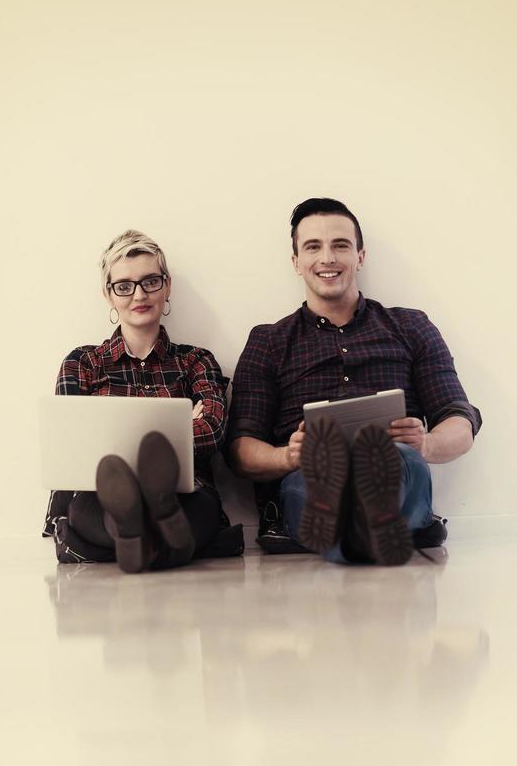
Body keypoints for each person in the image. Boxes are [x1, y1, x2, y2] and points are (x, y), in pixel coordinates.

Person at [227, 198, 481, 566]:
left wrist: (426, 443)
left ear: (360, 256)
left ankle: (357, 532)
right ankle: (371, 530)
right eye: (313, 247)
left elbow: (461, 419)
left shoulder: (411, 327)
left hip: (395, 464)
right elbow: (239, 449)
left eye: (340, 245)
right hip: (311, 475)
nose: (327, 258)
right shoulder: (268, 341)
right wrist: (287, 456)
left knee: (399, 462)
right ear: (296, 262)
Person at [43, 230, 243, 572]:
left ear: (167, 287)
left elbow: (210, 434)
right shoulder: (82, 363)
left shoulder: (196, 360)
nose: (139, 294)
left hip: (186, 493)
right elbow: (73, 449)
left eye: (150, 281)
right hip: (100, 497)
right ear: (108, 295)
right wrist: (176, 433)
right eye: (124, 285)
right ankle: (157, 541)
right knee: (91, 508)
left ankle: (134, 538)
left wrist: (117, 448)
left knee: (200, 508)